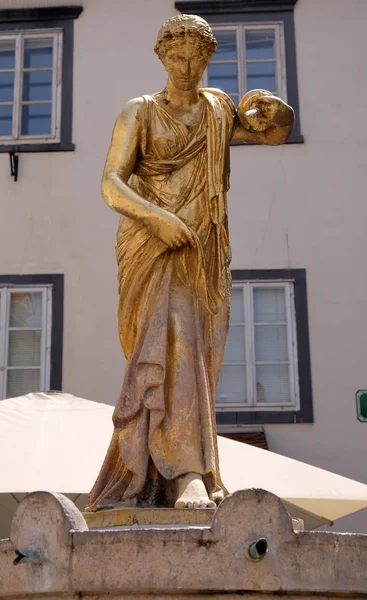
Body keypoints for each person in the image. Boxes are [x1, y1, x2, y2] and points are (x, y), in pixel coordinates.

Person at [86, 14, 294, 511]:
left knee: (196, 358)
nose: (185, 66)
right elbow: (111, 182)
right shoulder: (139, 111)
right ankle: (186, 472)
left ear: (207, 60)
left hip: (204, 252)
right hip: (154, 247)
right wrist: (156, 218)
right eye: (176, 56)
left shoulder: (218, 109)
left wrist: (271, 109)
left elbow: (273, 133)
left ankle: (156, 468)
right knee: (170, 344)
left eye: (195, 57)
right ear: (161, 57)